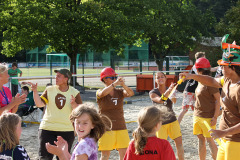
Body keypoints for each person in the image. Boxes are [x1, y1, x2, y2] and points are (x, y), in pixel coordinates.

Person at [180, 34, 240, 160]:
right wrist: (191, 76)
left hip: (235, 142)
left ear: (233, 67)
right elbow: (211, 81)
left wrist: (224, 132)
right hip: (224, 139)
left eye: (224, 66)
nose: (221, 68)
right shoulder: (227, 80)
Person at [29, 68, 83, 160]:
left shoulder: (74, 92)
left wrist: (74, 105)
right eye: (56, 76)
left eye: (59, 76)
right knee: (44, 158)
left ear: (66, 79)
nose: (56, 78)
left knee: (63, 157)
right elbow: (39, 104)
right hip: (47, 128)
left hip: (67, 130)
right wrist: (35, 91)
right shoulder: (49, 89)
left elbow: (81, 111)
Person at [46, 103, 111, 160]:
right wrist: (65, 152)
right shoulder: (89, 140)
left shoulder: (84, 145)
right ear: (74, 122)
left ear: (93, 125)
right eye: (78, 122)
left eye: (85, 123)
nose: (80, 126)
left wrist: (60, 155)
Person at [96, 67, 134, 160]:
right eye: (112, 77)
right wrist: (114, 84)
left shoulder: (119, 92)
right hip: (106, 128)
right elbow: (102, 94)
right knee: (105, 155)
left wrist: (123, 85)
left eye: (115, 77)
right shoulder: (100, 91)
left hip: (121, 126)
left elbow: (131, 93)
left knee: (124, 154)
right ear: (104, 79)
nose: (114, 79)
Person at [149, 71, 184, 160]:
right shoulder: (153, 92)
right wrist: (169, 91)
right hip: (160, 123)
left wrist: (173, 93)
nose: (160, 79)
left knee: (179, 144)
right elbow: (161, 100)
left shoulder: (170, 89)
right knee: (161, 148)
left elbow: (174, 101)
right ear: (156, 80)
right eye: (158, 77)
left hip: (172, 120)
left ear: (165, 78)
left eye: (162, 77)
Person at [192, 57, 220, 160]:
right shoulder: (200, 80)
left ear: (199, 70)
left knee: (210, 141)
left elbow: (218, 100)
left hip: (208, 117)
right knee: (200, 139)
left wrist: (215, 117)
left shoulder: (210, 82)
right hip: (197, 115)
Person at [178, 52, 206, 123]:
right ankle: (177, 124)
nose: (205, 59)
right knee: (185, 110)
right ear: (200, 59)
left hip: (194, 91)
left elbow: (210, 70)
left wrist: (219, 67)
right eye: (204, 58)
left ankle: (198, 123)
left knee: (196, 109)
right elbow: (200, 76)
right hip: (190, 90)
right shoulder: (196, 66)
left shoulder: (200, 67)